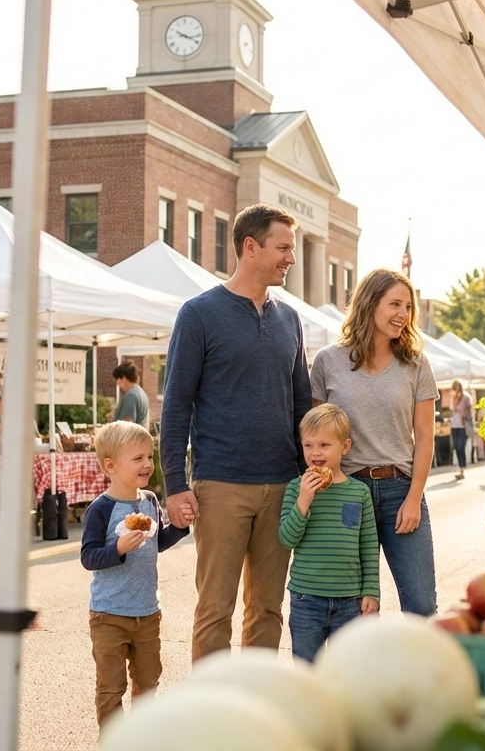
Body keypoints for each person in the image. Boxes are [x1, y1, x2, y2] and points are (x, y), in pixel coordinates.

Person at [160, 203, 312, 660]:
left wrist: (308, 477)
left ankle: (254, 707)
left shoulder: (290, 320)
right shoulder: (199, 314)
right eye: (282, 248)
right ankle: (211, 713)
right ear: (251, 247)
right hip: (221, 484)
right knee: (215, 608)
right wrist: (174, 483)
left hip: (282, 486)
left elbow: (302, 404)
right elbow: (176, 404)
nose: (290, 258)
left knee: (267, 608)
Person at [309, 269, 440, 616]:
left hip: (400, 490)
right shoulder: (327, 361)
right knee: (353, 610)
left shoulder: (415, 363)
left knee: (422, 606)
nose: (403, 314)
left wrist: (414, 498)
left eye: (408, 307)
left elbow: (425, 437)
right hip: (345, 493)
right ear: (369, 303)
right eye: (395, 304)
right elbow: (315, 436)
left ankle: (423, 673)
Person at [80, 421, 191, 727]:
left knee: (148, 683)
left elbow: (157, 543)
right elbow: (88, 557)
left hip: (147, 612)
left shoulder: (150, 502)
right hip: (109, 614)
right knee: (111, 687)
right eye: (138, 458)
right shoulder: (100, 510)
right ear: (111, 466)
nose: (147, 464)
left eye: (148, 456)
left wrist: (179, 527)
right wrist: (118, 548)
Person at [279, 404, 379, 661]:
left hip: (350, 600)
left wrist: (371, 591)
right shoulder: (295, 489)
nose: (315, 453)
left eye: (325, 445)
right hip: (306, 598)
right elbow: (287, 539)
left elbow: (368, 546)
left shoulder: (359, 492)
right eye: (309, 445)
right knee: (306, 668)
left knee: (346, 669)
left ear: (344, 447)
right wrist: (303, 501)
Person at [448, 380, 473, 480]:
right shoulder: (453, 397)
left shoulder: (466, 397)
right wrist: (453, 399)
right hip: (454, 425)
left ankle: (462, 469)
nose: (456, 390)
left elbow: (465, 409)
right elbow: (451, 408)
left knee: (461, 447)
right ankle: (460, 468)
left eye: (457, 388)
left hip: (463, 426)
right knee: (456, 447)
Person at [111, 361, 148, 426]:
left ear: (124, 377)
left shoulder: (131, 396)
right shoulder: (142, 393)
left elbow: (126, 425)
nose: (117, 383)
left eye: (118, 379)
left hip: (130, 436)